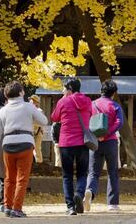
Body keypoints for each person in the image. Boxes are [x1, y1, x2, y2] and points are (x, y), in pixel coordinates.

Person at [0, 81, 48, 218]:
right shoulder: (28, 107)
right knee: (22, 179)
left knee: (9, 178)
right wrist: (30, 119)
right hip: (25, 144)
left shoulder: (3, 111)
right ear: (21, 93)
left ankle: (7, 206)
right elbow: (44, 121)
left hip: (8, 144)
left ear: (6, 95)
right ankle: (17, 208)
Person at [51, 77, 93, 216]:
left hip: (66, 143)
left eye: (64, 88)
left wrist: (64, 98)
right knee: (82, 173)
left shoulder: (63, 101)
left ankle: (70, 207)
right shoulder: (87, 101)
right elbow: (91, 115)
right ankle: (79, 195)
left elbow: (54, 117)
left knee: (67, 176)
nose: (63, 90)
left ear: (69, 89)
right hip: (83, 142)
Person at [85, 80, 123, 212]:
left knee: (93, 172)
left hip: (95, 143)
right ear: (113, 93)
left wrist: (95, 135)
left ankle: (89, 190)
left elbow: (86, 122)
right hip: (111, 142)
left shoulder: (92, 104)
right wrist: (107, 134)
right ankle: (112, 203)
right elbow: (119, 123)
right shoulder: (115, 106)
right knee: (112, 172)